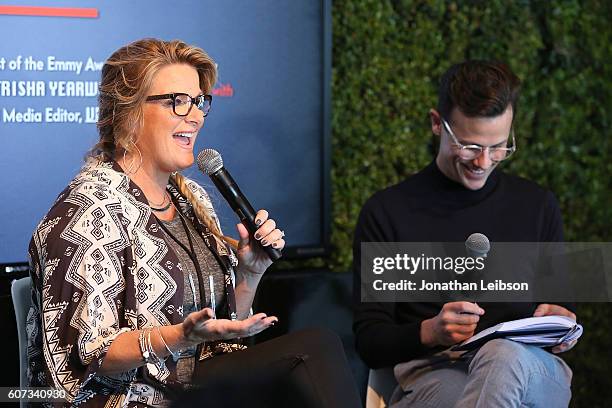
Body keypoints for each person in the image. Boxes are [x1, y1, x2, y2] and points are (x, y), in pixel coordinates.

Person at [28, 38, 360, 407]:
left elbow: (221, 334)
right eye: (178, 101)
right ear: (129, 112)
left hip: (197, 389)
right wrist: (179, 337)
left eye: (199, 102)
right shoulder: (87, 211)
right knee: (313, 348)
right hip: (128, 398)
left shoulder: (191, 199)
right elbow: (89, 353)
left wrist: (250, 273)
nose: (197, 116)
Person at [353, 60, 577, 407]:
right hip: (434, 371)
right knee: (461, 390)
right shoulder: (388, 213)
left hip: (531, 368)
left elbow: (562, 309)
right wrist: (430, 331)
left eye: (500, 146)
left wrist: (561, 320)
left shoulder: (537, 205)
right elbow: (370, 341)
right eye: (471, 146)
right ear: (436, 124)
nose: (484, 162)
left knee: (502, 355)